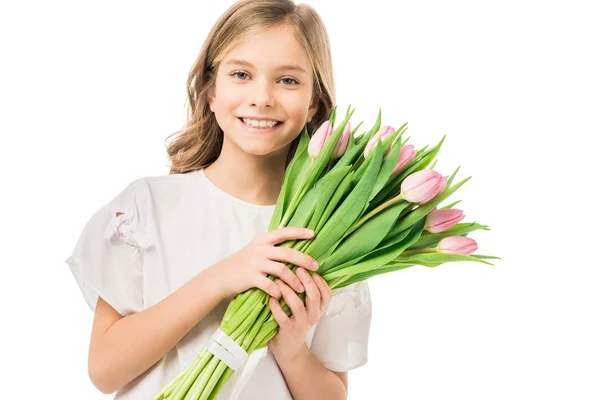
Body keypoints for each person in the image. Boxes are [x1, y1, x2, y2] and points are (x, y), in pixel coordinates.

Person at [65, 1, 372, 398]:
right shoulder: (149, 208)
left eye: (288, 81)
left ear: (313, 101)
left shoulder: (329, 235)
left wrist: (291, 346)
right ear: (211, 90)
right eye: (241, 74)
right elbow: (105, 371)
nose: (262, 97)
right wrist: (219, 278)